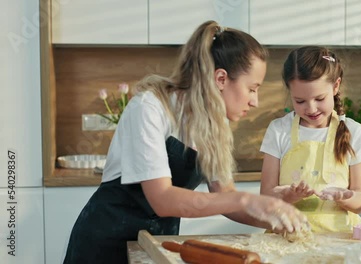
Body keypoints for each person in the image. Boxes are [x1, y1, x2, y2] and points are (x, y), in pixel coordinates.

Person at [64, 21, 308, 264]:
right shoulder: (150, 107)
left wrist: (276, 216)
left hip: (155, 247)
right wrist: (247, 199)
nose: (255, 101)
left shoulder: (214, 123)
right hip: (105, 245)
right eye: (252, 88)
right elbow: (162, 199)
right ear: (221, 79)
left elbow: (224, 196)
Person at [260, 46, 361, 233]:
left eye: (319, 98)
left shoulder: (355, 132)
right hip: (287, 237)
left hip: (340, 238)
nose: (311, 109)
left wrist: (345, 197)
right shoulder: (278, 130)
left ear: (336, 86)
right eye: (300, 101)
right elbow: (265, 197)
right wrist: (289, 196)